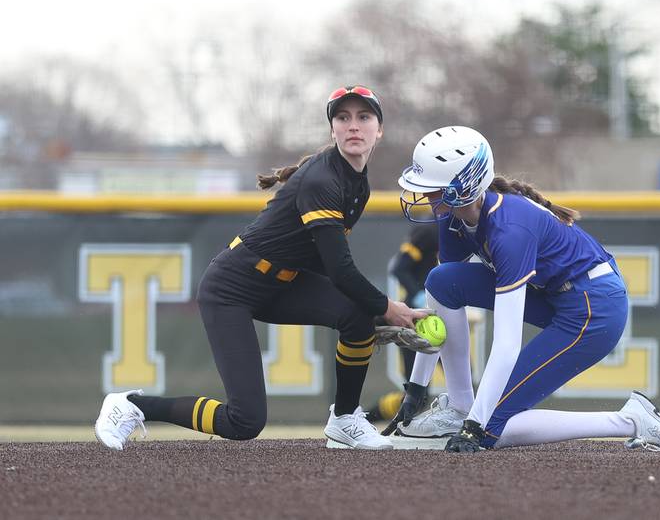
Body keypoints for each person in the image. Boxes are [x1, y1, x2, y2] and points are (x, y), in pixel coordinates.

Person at [94, 85, 428, 451]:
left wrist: (370, 316)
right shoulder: (323, 179)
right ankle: (131, 406)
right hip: (231, 289)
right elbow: (339, 269)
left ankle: (345, 419)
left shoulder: (356, 182)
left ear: (379, 130)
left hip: (282, 283)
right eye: (342, 117)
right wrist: (387, 309)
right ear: (332, 129)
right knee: (245, 421)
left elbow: (322, 261)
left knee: (357, 316)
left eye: (364, 117)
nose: (353, 126)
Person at [388, 125, 660, 453]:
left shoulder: (509, 230)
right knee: (442, 280)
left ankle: (631, 420)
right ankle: (460, 406)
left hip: (594, 308)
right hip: (556, 293)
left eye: (433, 187)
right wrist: (416, 390)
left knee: (489, 429)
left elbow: (506, 344)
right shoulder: (452, 217)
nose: (424, 194)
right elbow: (437, 310)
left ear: (463, 186)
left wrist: (474, 427)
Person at [365, 224, 438, 423]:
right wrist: (419, 297)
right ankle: (365, 417)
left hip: (444, 320)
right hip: (417, 321)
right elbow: (399, 268)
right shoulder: (429, 231)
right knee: (417, 395)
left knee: (463, 380)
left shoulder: (465, 229)